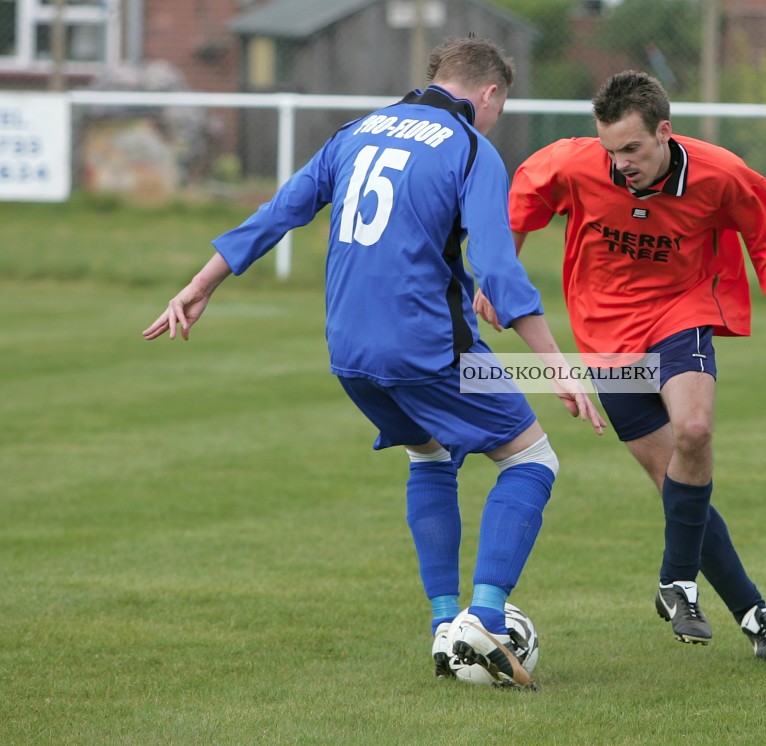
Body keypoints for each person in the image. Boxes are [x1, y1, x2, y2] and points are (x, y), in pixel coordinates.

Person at [142, 37, 603, 690]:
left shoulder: (359, 131)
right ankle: (486, 616)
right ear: (491, 94)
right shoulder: (472, 146)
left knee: (429, 455)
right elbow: (497, 266)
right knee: (531, 460)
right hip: (424, 347)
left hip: (347, 350)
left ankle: (446, 626)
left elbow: (283, 211)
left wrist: (202, 283)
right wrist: (556, 365)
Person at [476, 70, 766, 661]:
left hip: (683, 314)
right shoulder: (577, 164)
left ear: (664, 132)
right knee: (675, 488)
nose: (621, 162)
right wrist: (500, 276)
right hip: (606, 337)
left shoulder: (719, 174)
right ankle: (754, 614)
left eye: (632, 148)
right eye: (611, 149)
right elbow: (524, 195)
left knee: (696, 429)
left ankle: (675, 580)